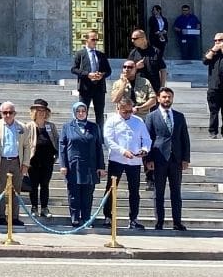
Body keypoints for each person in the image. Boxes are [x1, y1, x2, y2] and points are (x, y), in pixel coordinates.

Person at [146, 87, 190, 230]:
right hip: (159, 159)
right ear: (158, 98)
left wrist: (185, 158)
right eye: (164, 97)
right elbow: (148, 139)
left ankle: (177, 221)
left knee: (176, 192)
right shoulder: (151, 116)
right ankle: (160, 221)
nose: (167, 99)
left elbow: (185, 139)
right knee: (158, 192)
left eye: (169, 97)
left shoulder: (179, 116)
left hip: (176, 159)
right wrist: (148, 159)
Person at [103, 98, 151, 230]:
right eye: (125, 112)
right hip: (117, 159)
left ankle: (134, 218)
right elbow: (108, 140)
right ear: (118, 109)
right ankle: (108, 216)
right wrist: (123, 151)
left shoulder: (138, 121)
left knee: (134, 191)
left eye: (130, 111)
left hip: (134, 160)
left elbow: (146, 139)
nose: (128, 114)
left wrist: (145, 149)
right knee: (111, 189)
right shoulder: (112, 121)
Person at [0, 102, 33, 226]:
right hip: (2, 161)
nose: (7, 115)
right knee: (0, 191)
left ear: (15, 113)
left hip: (16, 161)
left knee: (16, 191)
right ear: (0, 113)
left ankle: (14, 217)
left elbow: (27, 146)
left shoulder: (22, 127)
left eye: (10, 112)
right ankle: (1, 216)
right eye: (4, 112)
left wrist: (25, 164)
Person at [59, 102, 105, 227]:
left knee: (88, 194)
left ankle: (86, 218)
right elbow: (62, 147)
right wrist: (63, 164)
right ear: (74, 112)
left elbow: (98, 147)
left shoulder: (94, 127)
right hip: (74, 164)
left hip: (90, 165)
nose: (81, 113)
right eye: (78, 111)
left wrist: (101, 166)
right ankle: (75, 217)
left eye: (83, 111)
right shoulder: (67, 127)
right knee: (74, 193)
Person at [71, 29, 112, 127]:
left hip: (99, 88)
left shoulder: (101, 55)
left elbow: (108, 71)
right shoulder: (80, 54)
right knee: (82, 111)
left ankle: (99, 137)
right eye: (93, 39)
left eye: (96, 40)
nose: (95, 42)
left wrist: (101, 75)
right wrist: (88, 74)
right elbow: (74, 69)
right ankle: (81, 131)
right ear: (87, 40)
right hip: (85, 88)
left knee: (100, 114)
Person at [26, 99, 58, 218]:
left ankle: (44, 207)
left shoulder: (51, 126)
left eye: (43, 110)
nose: (40, 112)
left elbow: (56, 141)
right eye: (38, 110)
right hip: (33, 160)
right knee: (33, 185)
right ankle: (34, 207)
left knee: (45, 184)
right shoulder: (29, 126)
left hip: (47, 160)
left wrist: (56, 155)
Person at [207, 32, 223, 140]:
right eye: (215, 40)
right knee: (213, 111)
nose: (217, 42)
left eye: (220, 40)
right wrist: (213, 50)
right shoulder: (213, 53)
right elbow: (205, 60)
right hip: (214, 87)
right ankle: (213, 131)